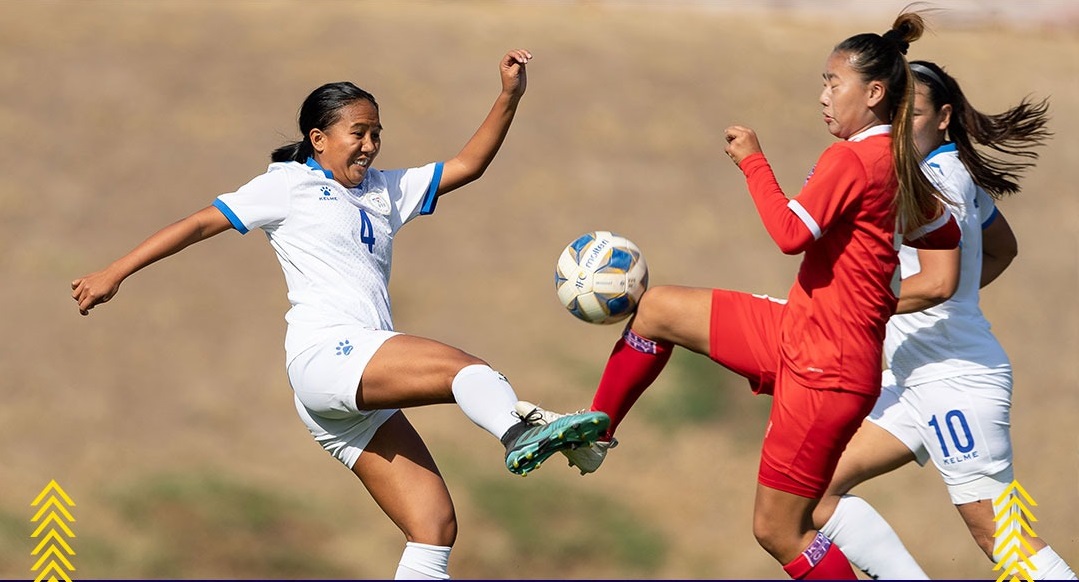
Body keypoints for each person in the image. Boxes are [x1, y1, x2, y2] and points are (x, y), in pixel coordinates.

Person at [70, 49, 610, 580]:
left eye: (376, 132)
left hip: (344, 391)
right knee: (466, 370)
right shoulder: (286, 185)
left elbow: (469, 164)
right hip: (328, 355)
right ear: (318, 139)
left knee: (434, 526)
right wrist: (114, 271)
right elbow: (197, 224)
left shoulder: (383, 191)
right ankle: (520, 433)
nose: (371, 145)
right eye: (359, 132)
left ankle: (525, 426)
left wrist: (508, 97)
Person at [520, 10, 962, 580]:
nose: (823, 96)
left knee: (779, 530)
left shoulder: (853, 159)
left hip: (822, 371)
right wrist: (871, 300)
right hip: (802, 336)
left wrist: (753, 161)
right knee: (655, 310)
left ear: (874, 92)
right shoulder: (899, 162)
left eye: (833, 83)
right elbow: (945, 246)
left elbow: (789, 235)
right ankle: (597, 434)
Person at [809, 60, 1075, 580]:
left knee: (997, 532)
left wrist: (860, 309)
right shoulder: (949, 175)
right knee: (810, 490)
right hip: (912, 379)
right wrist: (953, 304)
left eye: (915, 115)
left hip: (955, 381)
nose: (899, 126)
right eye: (895, 113)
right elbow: (1002, 249)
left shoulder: (937, 180)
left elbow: (936, 282)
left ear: (945, 117)